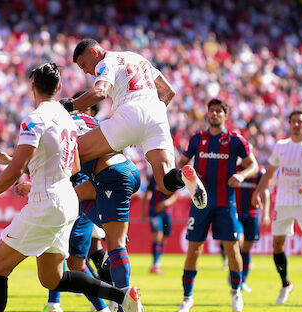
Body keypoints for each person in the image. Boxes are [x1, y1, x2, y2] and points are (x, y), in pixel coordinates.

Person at [0, 63, 143, 312]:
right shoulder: (66, 118)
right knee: (52, 278)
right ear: (59, 88)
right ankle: (122, 295)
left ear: (32, 86)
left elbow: (14, 169)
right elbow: (74, 166)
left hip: (46, 201)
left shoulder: (34, 119)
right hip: (67, 199)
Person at [62, 38, 207, 210]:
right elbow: (168, 91)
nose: (86, 71)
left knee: (72, 152)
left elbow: (100, 92)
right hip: (157, 115)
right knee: (165, 183)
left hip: (130, 112)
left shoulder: (106, 61)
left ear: (94, 52)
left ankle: (57, 198)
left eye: (84, 64)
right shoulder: (136, 58)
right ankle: (183, 176)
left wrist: (68, 106)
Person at [26, 92, 114, 312]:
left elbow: (53, 158)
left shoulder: (69, 122)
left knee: (73, 258)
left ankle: (113, 299)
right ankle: (96, 306)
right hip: (83, 197)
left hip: (76, 199)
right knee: (69, 257)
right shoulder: (96, 126)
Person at [176, 98, 258, 312]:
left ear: (225, 115)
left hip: (225, 204)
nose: (214, 114)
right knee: (194, 250)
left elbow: (253, 166)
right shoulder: (197, 139)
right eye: (211, 111)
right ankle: (187, 297)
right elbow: (181, 165)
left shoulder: (235, 140)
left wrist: (241, 175)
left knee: (232, 249)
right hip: (200, 203)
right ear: (207, 114)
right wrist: (187, 176)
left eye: (218, 111)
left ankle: (236, 293)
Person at [252, 110, 302, 304]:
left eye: (300, 122)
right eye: (293, 121)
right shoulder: (281, 146)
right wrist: (257, 192)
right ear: (289, 124)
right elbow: (269, 172)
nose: (296, 125)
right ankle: (286, 284)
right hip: (283, 201)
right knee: (277, 244)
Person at [234, 163, 270, 292]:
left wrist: (265, 214)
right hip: (235, 213)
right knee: (238, 242)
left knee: (247, 249)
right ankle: (235, 269)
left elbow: (265, 192)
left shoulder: (259, 172)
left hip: (252, 213)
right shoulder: (234, 168)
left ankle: (243, 280)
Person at [140, 176, 178, 274]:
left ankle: (157, 262)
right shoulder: (154, 178)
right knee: (158, 236)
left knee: (164, 238)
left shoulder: (172, 176)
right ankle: (155, 264)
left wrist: (166, 203)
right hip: (154, 212)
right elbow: (146, 193)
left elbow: (175, 195)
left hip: (167, 213)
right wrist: (143, 210)